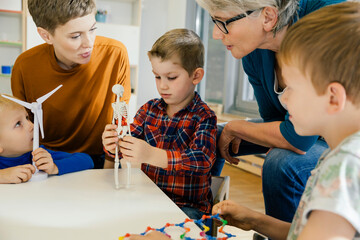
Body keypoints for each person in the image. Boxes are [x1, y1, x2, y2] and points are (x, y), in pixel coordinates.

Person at [127, 2, 360, 239]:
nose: (284, 97)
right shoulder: (340, 160)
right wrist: (254, 220)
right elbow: (301, 234)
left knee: (280, 162)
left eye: (294, 87)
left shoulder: (343, 167)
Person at [195, 0, 345, 222]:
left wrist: (238, 127)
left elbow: (298, 139)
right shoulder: (254, 51)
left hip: (340, 136)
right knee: (209, 134)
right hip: (300, 127)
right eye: (214, 22)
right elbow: (273, 118)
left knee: (281, 162)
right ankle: (198, 222)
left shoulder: (320, 27)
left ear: (268, 17)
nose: (217, 34)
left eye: (224, 23)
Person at [102, 29, 217, 219]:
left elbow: (202, 160)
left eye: (171, 78)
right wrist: (114, 144)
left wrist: (152, 155)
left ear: (196, 76)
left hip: (187, 207)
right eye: (157, 76)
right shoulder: (148, 110)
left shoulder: (204, 116)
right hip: (147, 198)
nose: (162, 85)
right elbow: (125, 147)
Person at [11, 0, 131, 169]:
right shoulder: (25, 65)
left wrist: (109, 166)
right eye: (75, 36)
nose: (88, 42)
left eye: (92, 29)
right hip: (48, 160)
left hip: (102, 159)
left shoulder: (115, 54)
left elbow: (120, 122)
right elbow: (19, 128)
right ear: (46, 35)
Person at [0, 95, 94, 184]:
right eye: (18, 124)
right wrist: (2, 176)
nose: (32, 126)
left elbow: (87, 161)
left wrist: (54, 167)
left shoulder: (38, 155)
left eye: (27, 118)